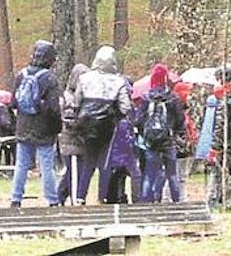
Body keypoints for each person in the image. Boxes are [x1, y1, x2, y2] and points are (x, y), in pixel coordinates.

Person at [73, 46, 133, 205]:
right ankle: (102, 197)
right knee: (105, 163)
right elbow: (126, 107)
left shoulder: (84, 78)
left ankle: (80, 196)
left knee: (88, 162)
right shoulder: (118, 81)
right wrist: (116, 116)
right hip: (107, 126)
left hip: (85, 124)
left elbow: (76, 101)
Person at [9, 40, 63, 207]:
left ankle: (15, 198)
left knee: (21, 165)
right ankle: (52, 199)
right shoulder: (49, 79)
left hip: (23, 126)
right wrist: (57, 127)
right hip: (44, 128)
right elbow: (53, 108)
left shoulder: (21, 75)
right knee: (47, 166)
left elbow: (13, 103)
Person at [136, 64, 185, 203]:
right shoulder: (173, 98)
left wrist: (145, 134)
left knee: (149, 174)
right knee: (172, 174)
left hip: (151, 142)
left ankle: (146, 203)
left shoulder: (146, 97)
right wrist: (176, 134)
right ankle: (177, 203)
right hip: (168, 140)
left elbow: (139, 120)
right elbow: (180, 120)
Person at [207, 73, 231, 208]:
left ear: (219, 79)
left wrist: (215, 146)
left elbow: (220, 123)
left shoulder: (224, 99)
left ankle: (219, 200)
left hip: (225, 142)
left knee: (219, 172)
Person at [57, 63, 90, 205]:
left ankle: (60, 196)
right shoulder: (68, 98)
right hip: (71, 141)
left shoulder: (84, 97)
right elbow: (69, 120)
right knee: (75, 173)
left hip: (81, 140)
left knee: (75, 172)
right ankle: (74, 201)